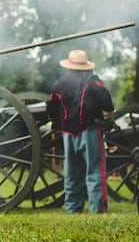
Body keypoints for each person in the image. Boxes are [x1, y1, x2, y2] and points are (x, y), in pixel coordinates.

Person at [46, 50, 114, 214]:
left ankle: (72, 209)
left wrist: (59, 123)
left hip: (68, 133)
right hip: (90, 130)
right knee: (95, 171)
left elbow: (51, 108)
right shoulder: (93, 81)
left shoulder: (58, 85)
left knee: (71, 174)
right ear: (86, 67)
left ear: (69, 66)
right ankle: (97, 210)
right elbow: (107, 102)